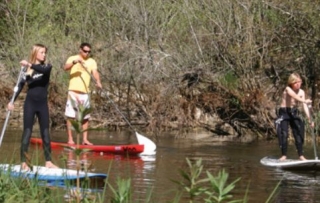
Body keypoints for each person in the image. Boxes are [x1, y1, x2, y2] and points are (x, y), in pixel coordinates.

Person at [7, 44, 58, 170]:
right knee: (27, 132)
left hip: (42, 104)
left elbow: (44, 71)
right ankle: (23, 162)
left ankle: (48, 162)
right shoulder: (26, 70)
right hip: (30, 103)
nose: (44, 55)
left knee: (45, 132)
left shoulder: (47, 67)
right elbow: (19, 86)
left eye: (45, 52)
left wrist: (29, 65)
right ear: (35, 53)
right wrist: (11, 101)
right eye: (42, 52)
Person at [63, 42, 102, 145]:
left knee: (85, 117)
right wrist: (75, 62)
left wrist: (98, 81)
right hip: (73, 91)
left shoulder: (91, 61)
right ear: (80, 50)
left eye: (89, 52)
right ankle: (70, 139)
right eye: (85, 51)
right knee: (71, 116)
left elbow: (95, 72)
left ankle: (84, 140)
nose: (87, 53)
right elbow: (65, 67)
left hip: (85, 92)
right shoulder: (72, 58)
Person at [275, 72, 314, 161]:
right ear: (291, 83)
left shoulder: (302, 92)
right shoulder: (288, 89)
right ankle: (284, 155)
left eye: (299, 82)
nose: (298, 84)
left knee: (298, 132)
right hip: (284, 113)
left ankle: (301, 155)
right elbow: (295, 96)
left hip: (293, 112)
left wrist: (309, 119)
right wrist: (304, 101)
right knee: (284, 133)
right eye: (295, 83)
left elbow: (304, 107)